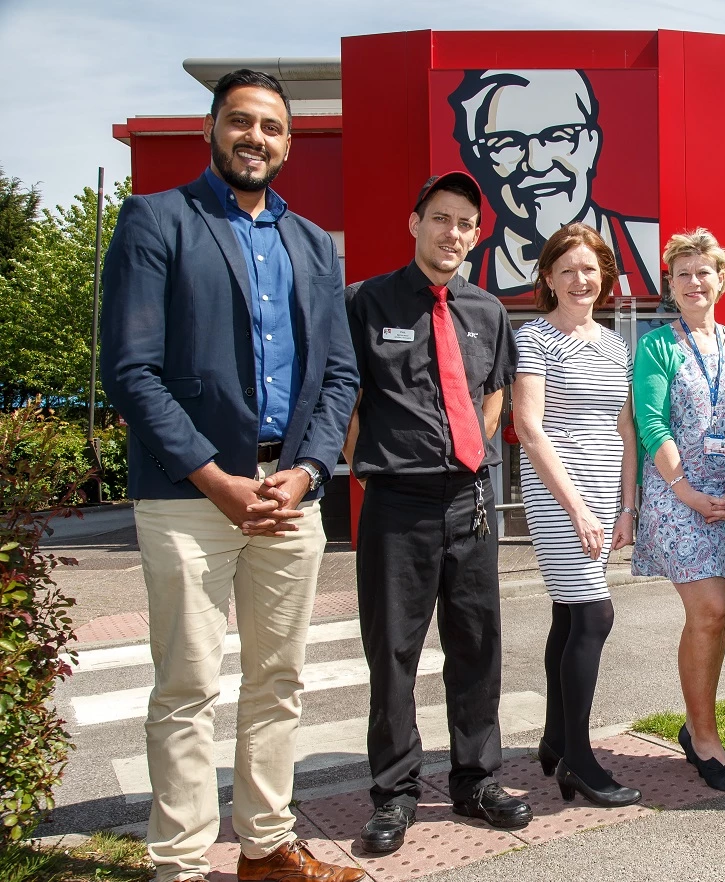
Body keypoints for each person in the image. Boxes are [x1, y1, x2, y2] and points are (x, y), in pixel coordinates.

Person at [99, 69, 361, 882]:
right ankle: (177, 864)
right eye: (241, 122)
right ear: (213, 129)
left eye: (272, 127)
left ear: (290, 142)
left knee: (278, 679)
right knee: (186, 688)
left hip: (289, 493)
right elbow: (131, 369)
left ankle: (265, 848)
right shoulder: (156, 220)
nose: (256, 137)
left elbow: (340, 375)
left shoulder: (314, 244)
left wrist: (312, 469)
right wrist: (215, 476)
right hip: (189, 495)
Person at [342, 171, 530, 854]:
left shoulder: (487, 309)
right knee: (393, 652)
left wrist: (474, 455)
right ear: (414, 222)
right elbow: (347, 397)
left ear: (476, 238)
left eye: (465, 225)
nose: (453, 233)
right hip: (398, 502)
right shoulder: (364, 301)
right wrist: (372, 465)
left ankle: (476, 780)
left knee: (476, 647)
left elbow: (492, 396)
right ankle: (394, 794)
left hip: (469, 501)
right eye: (441, 218)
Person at [631, 228, 725, 791]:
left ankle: (695, 722)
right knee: (708, 610)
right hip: (678, 491)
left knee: (715, 616)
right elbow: (650, 420)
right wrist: (686, 489)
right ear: (671, 284)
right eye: (682, 273)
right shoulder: (657, 346)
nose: (693, 281)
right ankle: (705, 738)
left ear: (722, 280)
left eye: (703, 271)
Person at [511, 223, 641, 808]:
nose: (580, 279)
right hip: (556, 487)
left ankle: (554, 737)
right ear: (548, 278)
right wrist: (581, 509)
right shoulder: (534, 337)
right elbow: (529, 427)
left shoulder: (615, 343)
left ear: (604, 277)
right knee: (593, 615)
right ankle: (579, 760)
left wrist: (625, 504)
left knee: (569, 613)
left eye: (590, 269)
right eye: (567, 270)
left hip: (603, 486)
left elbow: (624, 427)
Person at [449, 68, 659, 299]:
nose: (537, 163)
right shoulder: (456, 277)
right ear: (480, 161)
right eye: (506, 143)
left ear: (592, 145)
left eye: (559, 137)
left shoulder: (650, 251)